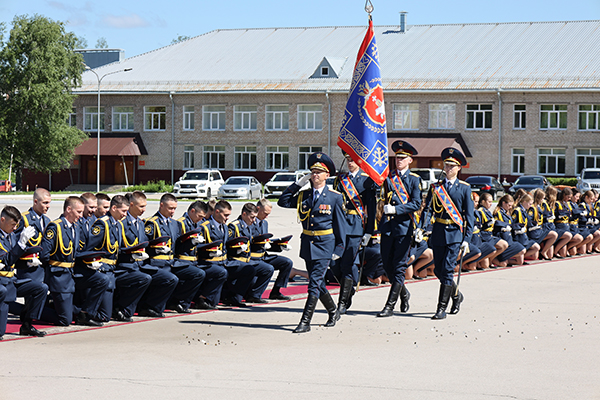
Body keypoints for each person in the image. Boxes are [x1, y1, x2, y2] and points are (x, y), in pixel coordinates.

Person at [278, 151, 346, 333]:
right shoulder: (304, 196)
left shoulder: (335, 197)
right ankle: (333, 311)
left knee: (313, 283)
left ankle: (305, 321)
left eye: (319, 172)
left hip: (325, 245)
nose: (315, 175)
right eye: (313, 172)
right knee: (319, 283)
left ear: (327, 175)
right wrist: (297, 184)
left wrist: (339, 248)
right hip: (308, 244)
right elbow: (282, 202)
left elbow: (341, 225)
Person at [41, 197, 109, 326]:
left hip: (73, 273)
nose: (80, 215)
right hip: (60, 275)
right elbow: (44, 255)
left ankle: (85, 314)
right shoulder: (55, 227)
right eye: (78, 212)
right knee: (65, 320)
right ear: (68, 209)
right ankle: (31, 310)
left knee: (102, 280)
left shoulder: (76, 227)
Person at [424, 148, 473, 320]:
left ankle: (441, 308)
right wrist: (421, 228)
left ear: (459, 168)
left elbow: (469, 216)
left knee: (447, 269)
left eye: (452, 166)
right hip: (438, 233)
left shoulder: (464, 188)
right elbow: (428, 210)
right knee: (438, 270)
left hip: (454, 235)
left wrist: (467, 239)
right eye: (446, 165)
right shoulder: (436, 187)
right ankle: (456, 295)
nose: (448, 168)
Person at [376, 141, 422, 317]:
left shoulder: (414, 180)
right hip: (387, 227)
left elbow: (416, 203)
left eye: (403, 158)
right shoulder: (388, 177)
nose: (399, 160)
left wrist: (396, 209)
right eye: (397, 157)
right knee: (387, 265)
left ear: (410, 160)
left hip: (403, 228)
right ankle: (403, 292)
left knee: (399, 267)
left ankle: (389, 305)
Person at [332, 150, 376, 314]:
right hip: (340, 226)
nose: (350, 163)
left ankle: (342, 302)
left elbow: (371, 207)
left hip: (356, 227)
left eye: (353, 160)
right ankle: (348, 290)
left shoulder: (366, 181)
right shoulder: (340, 180)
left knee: (348, 263)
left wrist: (369, 231)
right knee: (335, 264)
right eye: (348, 159)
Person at [145, 193, 204, 314]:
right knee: (171, 278)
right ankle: (151, 306)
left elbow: (178, 246)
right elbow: (146, 247)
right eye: (170, 208)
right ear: (161, 205)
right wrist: (156, 249)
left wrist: (191, 242)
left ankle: (179, 302)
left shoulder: (174, 224)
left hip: (172, 262)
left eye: (175, 209)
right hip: (157, 263)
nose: (173, 211)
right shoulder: (152, 223)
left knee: (198, 274)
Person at [122, 191, 178, 317]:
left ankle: (151, 307)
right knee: (147, 278)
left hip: (143, 264)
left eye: (145, 206)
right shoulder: (123, 223)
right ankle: (130, 308)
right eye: (141, 206)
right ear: (131, 205)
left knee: (171, 278)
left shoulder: (140, 223)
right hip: (128, 265)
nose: (144, 210)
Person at [198, 200, 255, 308]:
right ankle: (202, 297)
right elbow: (197, 248)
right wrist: (211, 252)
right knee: (214, 299)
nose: (227, 218)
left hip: (224, 262)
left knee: (248, 269)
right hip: (209, 263)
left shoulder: (224, 227)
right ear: (217, 212)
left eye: (229, 215)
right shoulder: (204, 227)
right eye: (225, 215)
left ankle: (233, 297)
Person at [11, 188, 52, 336]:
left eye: (49, 203)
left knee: (37, 297)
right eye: (45, 203)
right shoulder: (24, 219)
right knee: (30, 298)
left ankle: (27, 324)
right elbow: (14, 243)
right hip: (27, 267)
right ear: (35, 202)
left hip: (40, 267)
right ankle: (26, 324)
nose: (47, 206)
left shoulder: (47, 221)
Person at [175, 201, 226, 311]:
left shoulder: (197, 224)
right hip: (182, 261)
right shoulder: (180, 223)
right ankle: (181, 302)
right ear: (192, 211)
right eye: (199, 216)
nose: (201, 219)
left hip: (196, 261)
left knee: (221, 272)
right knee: (198, 274)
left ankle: (202, 299)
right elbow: (176, 245)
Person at [0, 206, 42, 338]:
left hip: (11, 280)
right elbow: (5, 260)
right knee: (0, 333)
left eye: (16, 225)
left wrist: (27, 263)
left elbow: (14, 262)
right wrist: (21, 244)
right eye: (13, 224)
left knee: (40, 288)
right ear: (2, 220)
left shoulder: (11, 236)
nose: (14, 228)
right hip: (1, 283)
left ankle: (27, 325)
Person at [227, 203, 274, 303]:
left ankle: (254, 295)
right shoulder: (234, 226)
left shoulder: (249, 225)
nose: (253, 220)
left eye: (255, 218)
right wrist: (238, 248)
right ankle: (235, 298)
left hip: (248, 260)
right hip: (235, 260)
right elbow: (227, 246)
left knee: (268, 269)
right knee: (250, 270)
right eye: (252, 217)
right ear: (244, 214)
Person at [254, 199, 294, 301]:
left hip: (263, 255)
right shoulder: (250, 222)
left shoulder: (264, 223)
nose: (266, 216)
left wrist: (280, 245)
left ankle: (276, 291)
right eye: (265, 213)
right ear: (258, 209)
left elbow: (265, 242)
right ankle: (254, 295)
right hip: (253, 257)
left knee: (287, 262)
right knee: (268, 268)